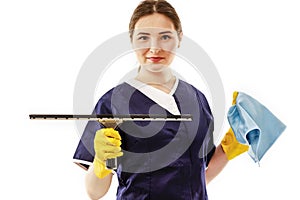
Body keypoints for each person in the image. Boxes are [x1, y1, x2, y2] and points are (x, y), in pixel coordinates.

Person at [73, 0, 248, 199]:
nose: (154, 48)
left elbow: (199, 177)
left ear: (179, 38)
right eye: (144, 38)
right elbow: (94, 192)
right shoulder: (112, 102)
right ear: (132, 40)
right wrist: (100, 162)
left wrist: (229, 147)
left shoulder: (198, 100)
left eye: (165, 37)